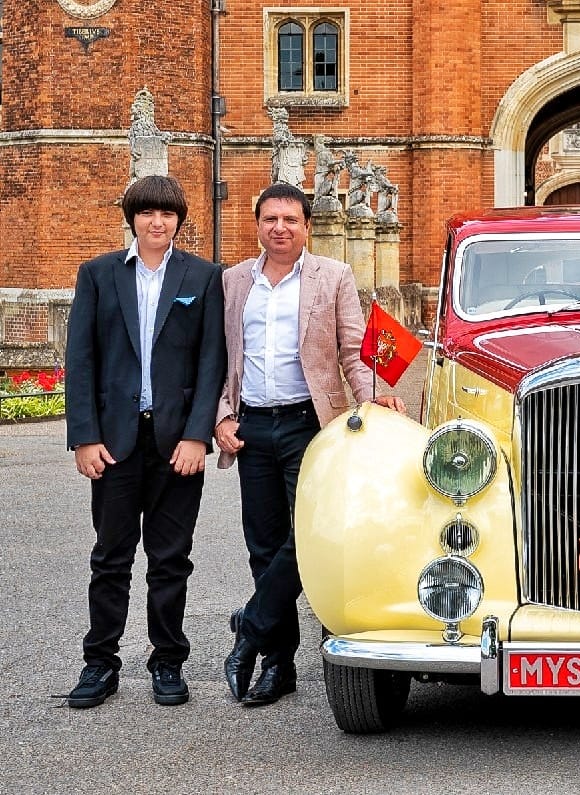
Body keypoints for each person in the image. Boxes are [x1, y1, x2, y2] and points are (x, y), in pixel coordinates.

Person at [216, 183, 403, 706]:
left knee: (311, 538)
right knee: (263, 544)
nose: (280, 228)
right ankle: (278, 666)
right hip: (252, 427)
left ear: (307, 227)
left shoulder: (333, 276)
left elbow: (353, 349)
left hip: (311, 424)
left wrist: (372, 398)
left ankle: (250, 627)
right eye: (270, 219)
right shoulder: (233, 281)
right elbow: (220, 357)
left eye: (290, 220)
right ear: (257, 225)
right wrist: (222, 415)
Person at [63, 175, 226, 708]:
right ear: (132, 218)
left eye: (167, 214)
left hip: (177, 443)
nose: (158, 222)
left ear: (179, 220)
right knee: (110, 558)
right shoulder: (98, 274)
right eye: (147, 213)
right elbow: (81, 359)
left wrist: (197, 435)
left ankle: (168, 662)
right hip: (115, 442)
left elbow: (211, 362)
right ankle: (99, 663)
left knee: (170, 559)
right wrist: (85, 437)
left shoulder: (203, 277)